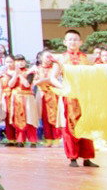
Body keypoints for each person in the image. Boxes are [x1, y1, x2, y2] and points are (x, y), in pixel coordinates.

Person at [55, 31, 98, 168]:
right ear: (65, 42)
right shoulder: (60, 59)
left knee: (87, 124)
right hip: (69, 97)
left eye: (75, 39)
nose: (73, 42)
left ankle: (87, 157)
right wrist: (63, 87)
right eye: (70, 39)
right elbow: (53, 77)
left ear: (80, 42)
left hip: (85, 96)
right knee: (70, 126)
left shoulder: (87, 59)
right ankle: (72, 157)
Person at [32, 51, 63, 146]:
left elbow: (53, 79)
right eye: (47, 57)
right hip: (42, 94)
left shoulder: (55, 67)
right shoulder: (37, 69)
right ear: (41, 58)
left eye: (50, 57)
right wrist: (44, 80)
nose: (49, 59)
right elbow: (34, 82)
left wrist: (43, 80)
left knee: (55, 117)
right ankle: (48, 139)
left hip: (53, 94)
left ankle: (57, 138)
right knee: (44, 117)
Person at [6, 56, 38, 147]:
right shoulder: (11, 73)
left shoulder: (30, 72)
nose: (20, 63)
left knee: (30, 118)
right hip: (16, 97)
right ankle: (20, 139)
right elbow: (10, 85)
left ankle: (32, 140)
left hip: (28, 97)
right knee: (18, 118)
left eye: (22, 61)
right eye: (18, 61)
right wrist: (16, 74)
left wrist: (20, 74)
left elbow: (27, 84)